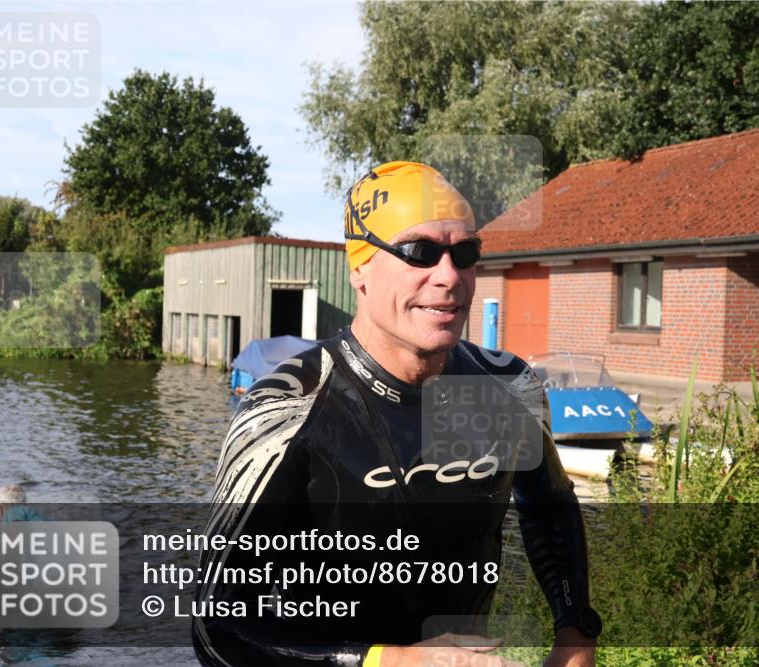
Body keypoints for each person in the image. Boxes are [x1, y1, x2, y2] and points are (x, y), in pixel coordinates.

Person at [193, 162, 601, 667]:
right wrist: (395, 661)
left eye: (465, 252)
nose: (449, 277)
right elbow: (217, 630)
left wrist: (576, 632)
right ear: (359, 268)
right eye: (419, 252)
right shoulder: (286, 409)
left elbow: (550, 507)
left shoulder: (508, 386)